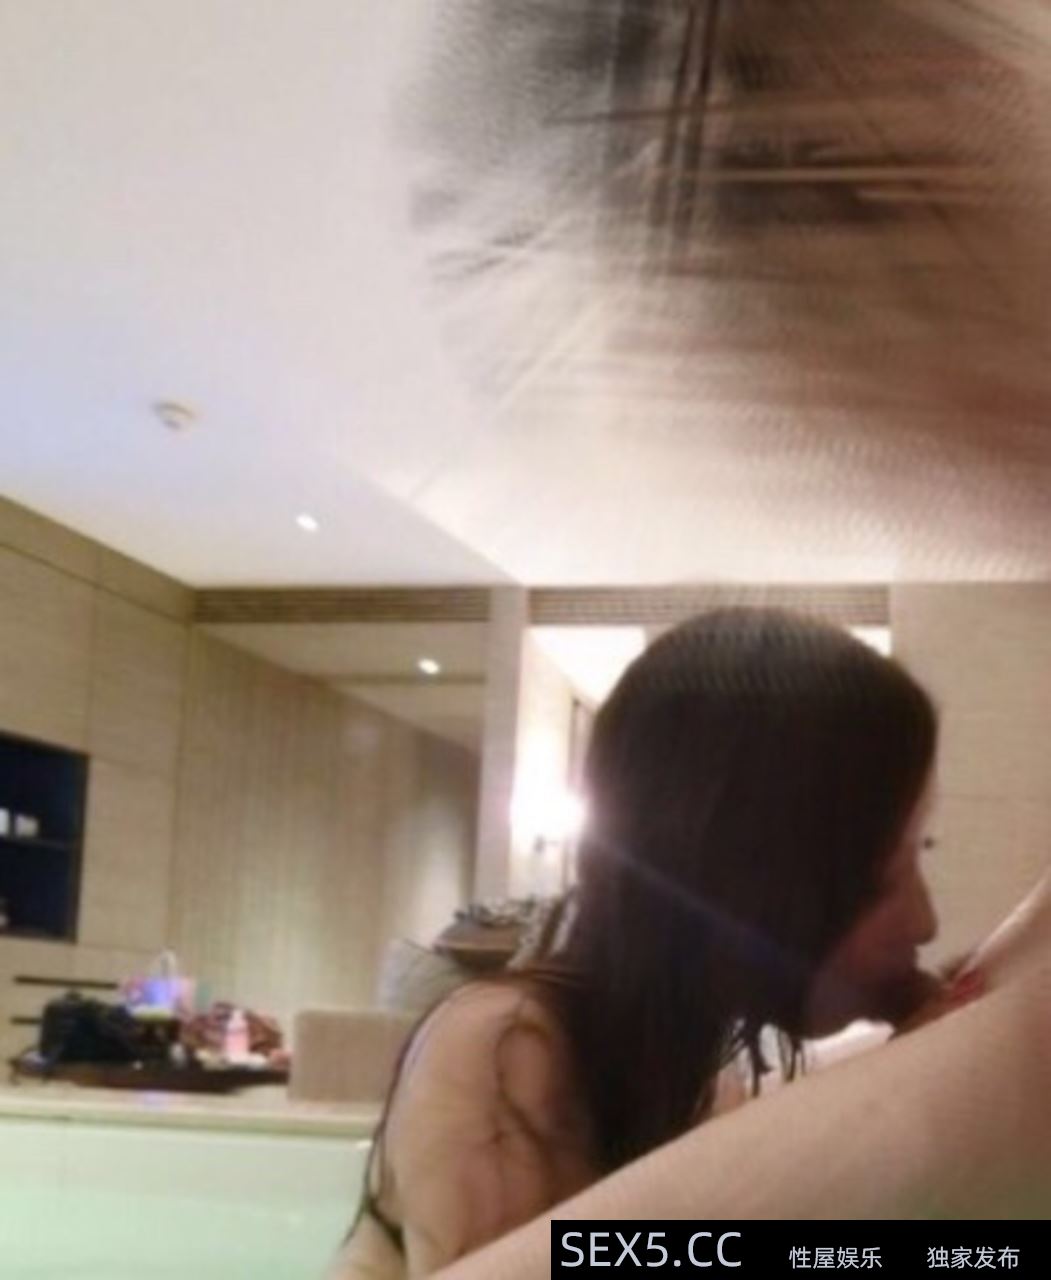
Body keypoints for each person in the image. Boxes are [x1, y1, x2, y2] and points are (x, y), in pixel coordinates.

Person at [331, 607, 962, 1279]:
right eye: (884, 871)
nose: (925, 923)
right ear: (754, 873)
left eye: (919, 852)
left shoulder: (697, 1075)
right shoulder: (507, 1052)